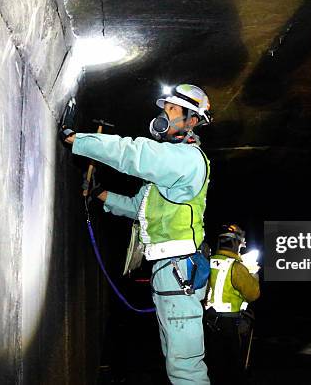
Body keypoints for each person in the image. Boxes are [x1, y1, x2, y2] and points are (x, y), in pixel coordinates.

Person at [61, 84, 213, 385]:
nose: (164, 116)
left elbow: (136, 154)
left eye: (172, 110)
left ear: (191, 120)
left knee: (185, 367)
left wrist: (79, 140)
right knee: (177, 362)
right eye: (164, 109)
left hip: (177, 270)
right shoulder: (172, 168)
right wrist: (101, 195)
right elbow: (138, 208)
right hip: (171, 271)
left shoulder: (186, 158)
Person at [204, 224, 260, 384]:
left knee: (212, 365)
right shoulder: (237, 267)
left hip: (207, 321)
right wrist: (253, 273)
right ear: (235, 243)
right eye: (242, 243)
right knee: (232, 368)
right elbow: (253, 294)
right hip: (229, 325)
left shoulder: (208, 260)